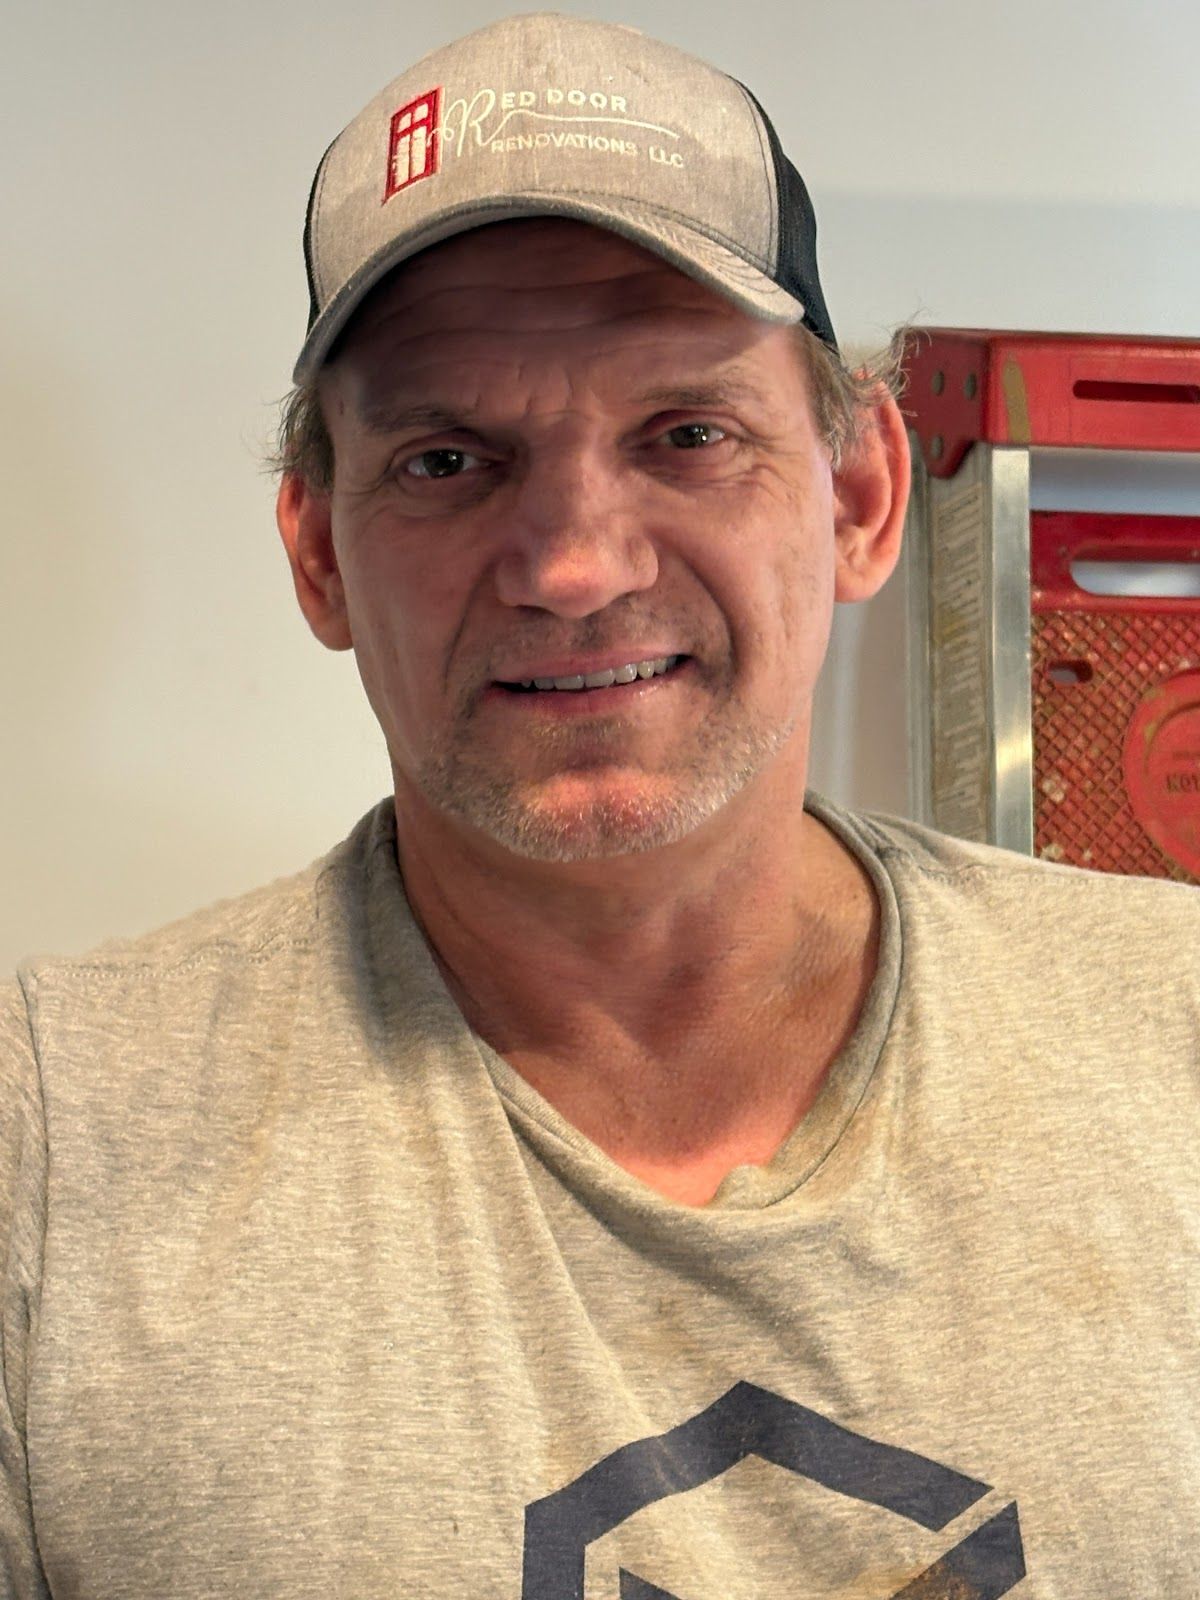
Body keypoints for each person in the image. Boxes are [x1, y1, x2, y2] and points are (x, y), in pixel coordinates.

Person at [2, 13, 1198, 1598]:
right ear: (316, 554)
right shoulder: (51, 1156)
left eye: (688, 435)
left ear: (858, 498)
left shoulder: (1172, 1033)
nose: (574, 566)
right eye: (446, 459)